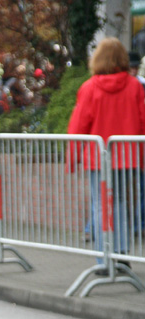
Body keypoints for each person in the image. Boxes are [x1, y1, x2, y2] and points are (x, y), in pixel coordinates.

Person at [68, 37, 145, 268]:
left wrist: (73, 158)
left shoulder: (89, 88)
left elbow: (78, 126)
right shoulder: (135, 87)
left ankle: (104, 258)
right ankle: (121, 254)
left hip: (98, 158)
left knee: (100, 205)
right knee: (121, 203)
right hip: (127, 156)